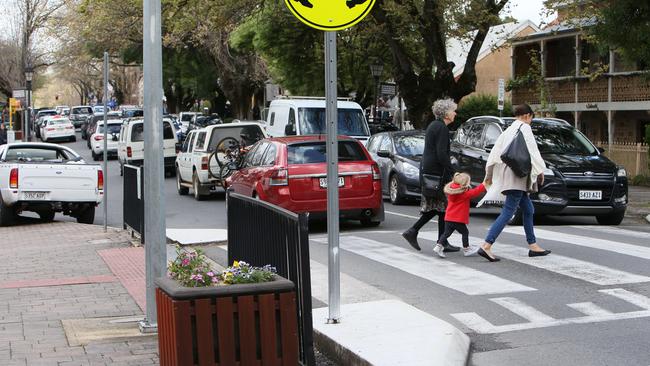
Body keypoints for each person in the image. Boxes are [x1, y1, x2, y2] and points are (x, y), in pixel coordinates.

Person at [476, 104, 551, 262]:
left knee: (528, 209)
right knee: (508, 211)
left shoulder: (508, 130)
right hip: (517, 176)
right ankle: (486, 245)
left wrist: (488, 175)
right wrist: (540, 171)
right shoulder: (524, 128)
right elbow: (533, 151)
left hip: (509, 174)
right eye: (531, 117)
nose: (531, 121)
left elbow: (495, 153)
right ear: (527, 116)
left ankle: (533, 245)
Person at [402, 98, 459, 253]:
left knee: (440, 209)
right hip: (437, 174)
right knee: (442, 208)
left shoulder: (434, 126)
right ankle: (415, 232)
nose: (455, 113)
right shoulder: (441, 128)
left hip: (430, 172)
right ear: (446, 113)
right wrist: (453, 171)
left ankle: (440, 240)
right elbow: (441, 154)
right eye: (453, 110)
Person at [433, 173, 486, 258]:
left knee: (446, 233)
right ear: (464, 184)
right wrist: (484, 184)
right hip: (458, 219)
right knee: (465, 232)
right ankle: (466, 249)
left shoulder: (451, 191)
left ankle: (438, 246)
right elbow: (475, 192)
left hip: (448, 217)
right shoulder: (463, 194)